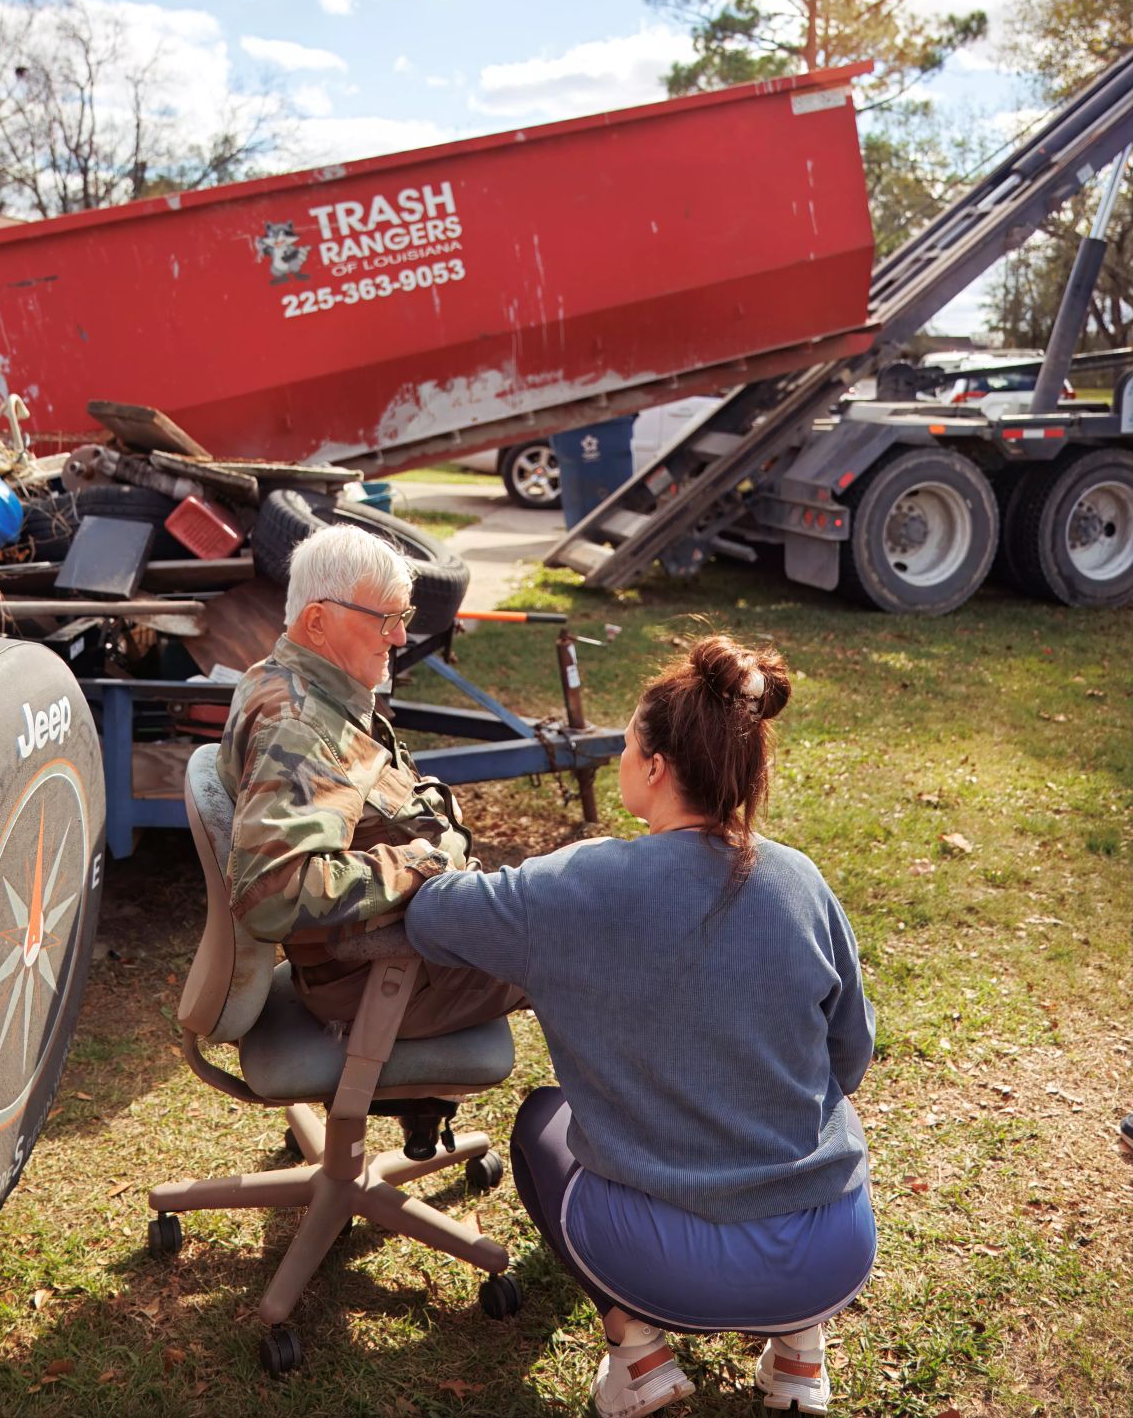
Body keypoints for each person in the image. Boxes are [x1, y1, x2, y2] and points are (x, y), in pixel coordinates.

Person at [406, 635, 876, 1417]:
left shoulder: (574, 884)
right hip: (830, 1253)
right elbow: (848, 1058)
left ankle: (641, 1356)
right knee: (826, 1110)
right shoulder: (802, 879)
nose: (623, 756)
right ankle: (799, 1353)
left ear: (654, 768)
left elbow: (431, 914)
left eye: (626, 745)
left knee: (539, 1125)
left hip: (666, 1266)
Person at [217, 523, 523, 1039]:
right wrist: (420, 861)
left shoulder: (292, 680)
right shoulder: (298, 727)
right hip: (385, 977)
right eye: (385, 619)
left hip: (399, 951)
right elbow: (272, 895)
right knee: (587, 952)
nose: (401, 636)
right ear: (317, 621)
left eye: (402, 616)